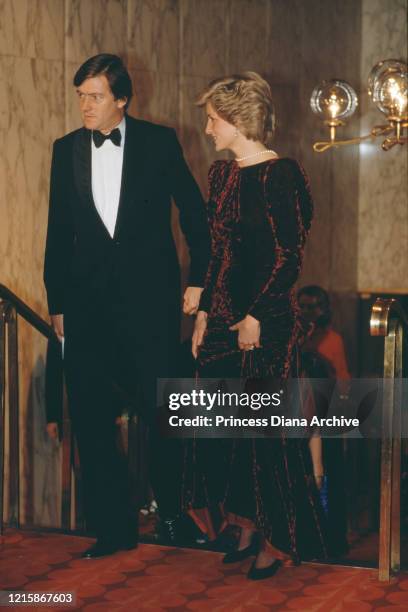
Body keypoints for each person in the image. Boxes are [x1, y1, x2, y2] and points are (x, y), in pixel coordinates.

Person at [44, 54, 210, 558]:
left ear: (122, 99)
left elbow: (194, 213)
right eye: (80, 96)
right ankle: (113, 530)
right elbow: (57, 233)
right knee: (92, 420)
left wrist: (199, 280)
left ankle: (174, 517)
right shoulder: (65, 150)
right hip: (86, 307)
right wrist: (57, 303)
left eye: (94, 96)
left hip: (149, 305)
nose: (84, 106)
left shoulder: (159, 142)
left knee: (162, 413)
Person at [186, 72, 328, 579]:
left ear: (236, 120)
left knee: (265, 436)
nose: (207, 129)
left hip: (266, 324)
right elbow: (217, 251)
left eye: (212, 119)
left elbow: (290, 257)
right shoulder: (221, 176)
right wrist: (204, 312)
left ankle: (274, 537)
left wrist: (256, 316)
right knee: (223, 429)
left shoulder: (281, 174)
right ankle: (245, 524)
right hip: (224, 322)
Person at [298, 285, 351, 556]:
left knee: (331, 477)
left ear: (323, 309)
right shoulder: (295, 337)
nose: (307, 312)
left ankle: (333, 540)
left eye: (313, 306)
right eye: (303, 306)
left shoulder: (332, 339)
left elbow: (342, 381)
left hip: (328, 413)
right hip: (300, 414)